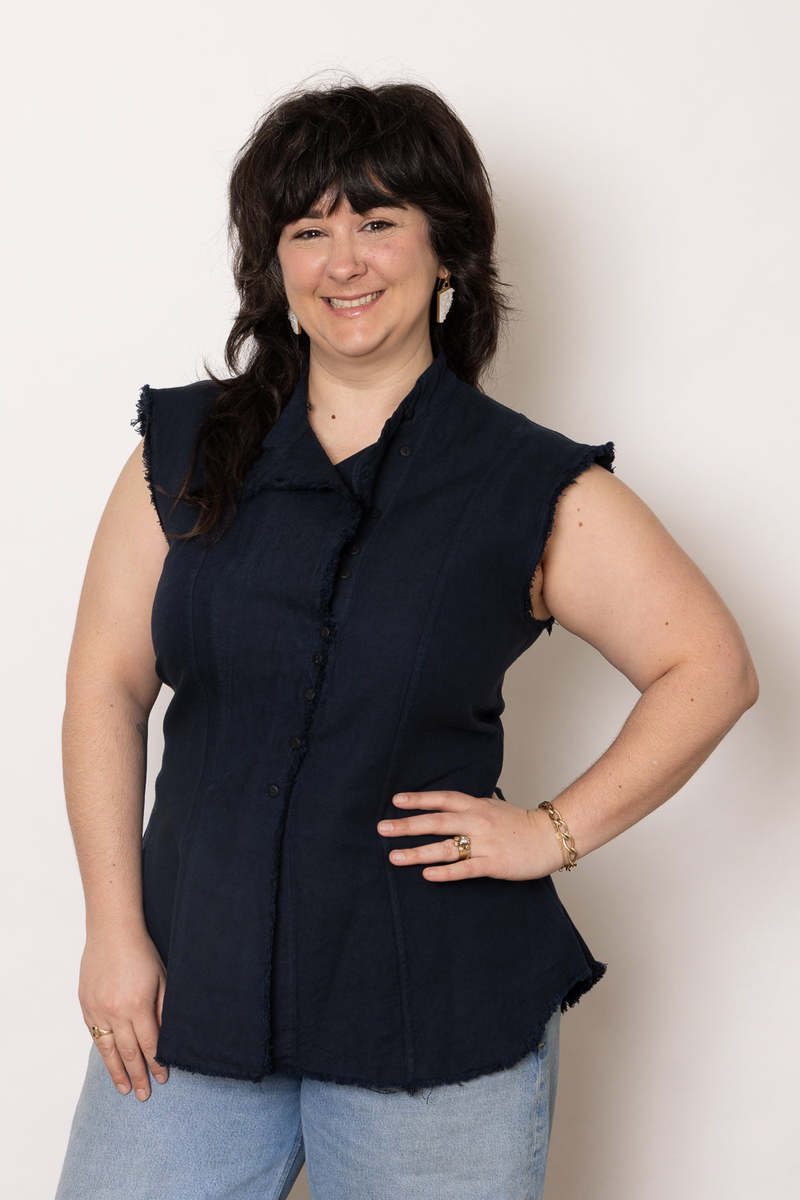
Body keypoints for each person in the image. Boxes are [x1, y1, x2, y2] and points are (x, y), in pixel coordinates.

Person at [55, 77, 759, 1200]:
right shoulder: (184, 449)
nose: (344, 260)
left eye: (378, 221)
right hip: (191, 986)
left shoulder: (526, 483)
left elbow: (709, 667)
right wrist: (112, 933)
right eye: (308, 229)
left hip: (433, 1013)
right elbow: (106, 686)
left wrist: (552, 832)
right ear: (274, 264)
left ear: (445, 254)